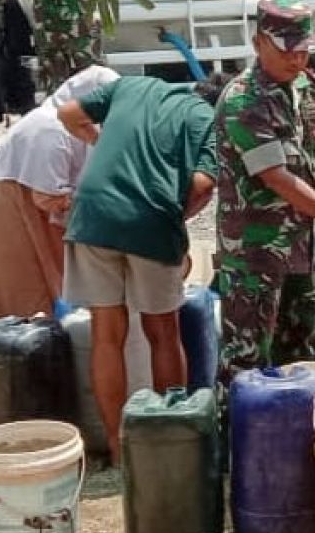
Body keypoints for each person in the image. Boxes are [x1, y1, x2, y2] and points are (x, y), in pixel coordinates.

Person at [57, 73, 225, 462]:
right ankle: (168, 441)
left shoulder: (130, 86)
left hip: (92, 213)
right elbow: (202, 184)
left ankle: (119, 449)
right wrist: (172, 221)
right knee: (162, 332)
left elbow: (68, 113)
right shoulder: (207, 119)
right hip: (151, 219)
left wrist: (99, 142)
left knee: (106, 334)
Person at [215, 0, 315, 383]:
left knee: (298, 349)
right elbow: (278, 178)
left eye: (304, 51)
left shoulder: (308, 87)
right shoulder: (243, 100)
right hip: (253, 255)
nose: (297, 60)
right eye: (287, 51)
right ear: (258, 43)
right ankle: (237, 439)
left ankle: (293, 437)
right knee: (247, 361)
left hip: (298, 249)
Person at [0, 65, 120, 326]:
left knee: (51, 292)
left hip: (29, 205)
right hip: (8, 208)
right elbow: (49, 196)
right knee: (21, 296)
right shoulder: (50, 126)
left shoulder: (77, 127)